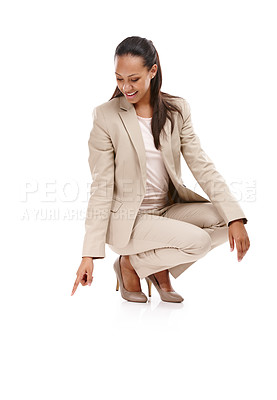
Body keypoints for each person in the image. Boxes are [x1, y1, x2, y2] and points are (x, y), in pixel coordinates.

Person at [71, 36, 250, 302]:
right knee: (198, 242)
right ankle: (134, 264)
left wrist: (236, 218)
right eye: (119, 78)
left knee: (227, 222)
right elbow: (101, 185)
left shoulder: (177, 110)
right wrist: (89, 254)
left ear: (152, 71)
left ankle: (138, 264)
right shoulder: (106, 116)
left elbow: (202, 165)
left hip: (167, 211)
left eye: (133, 79)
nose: (125, 87)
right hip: (129, 221)